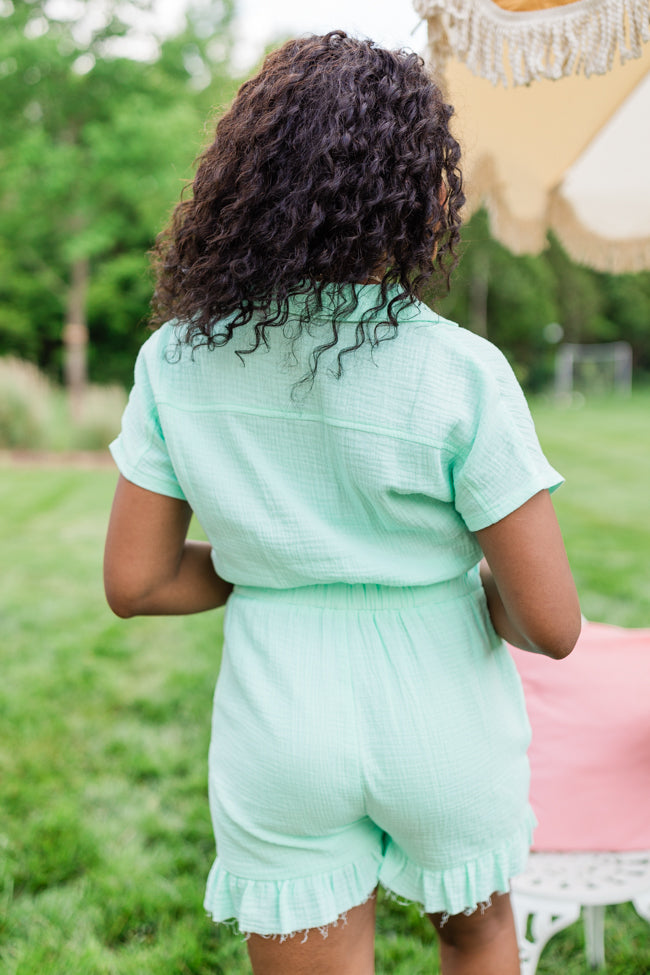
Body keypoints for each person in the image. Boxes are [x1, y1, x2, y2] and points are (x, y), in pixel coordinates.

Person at [104, 31, 581, 975]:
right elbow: (553, 624)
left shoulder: (176, 359)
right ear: (415, 193)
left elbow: (137, 582)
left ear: (250, 178)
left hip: (279, 716)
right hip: (444, 710)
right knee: (477, 934)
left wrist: (275, 564)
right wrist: (449, 580)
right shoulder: (460, 371)